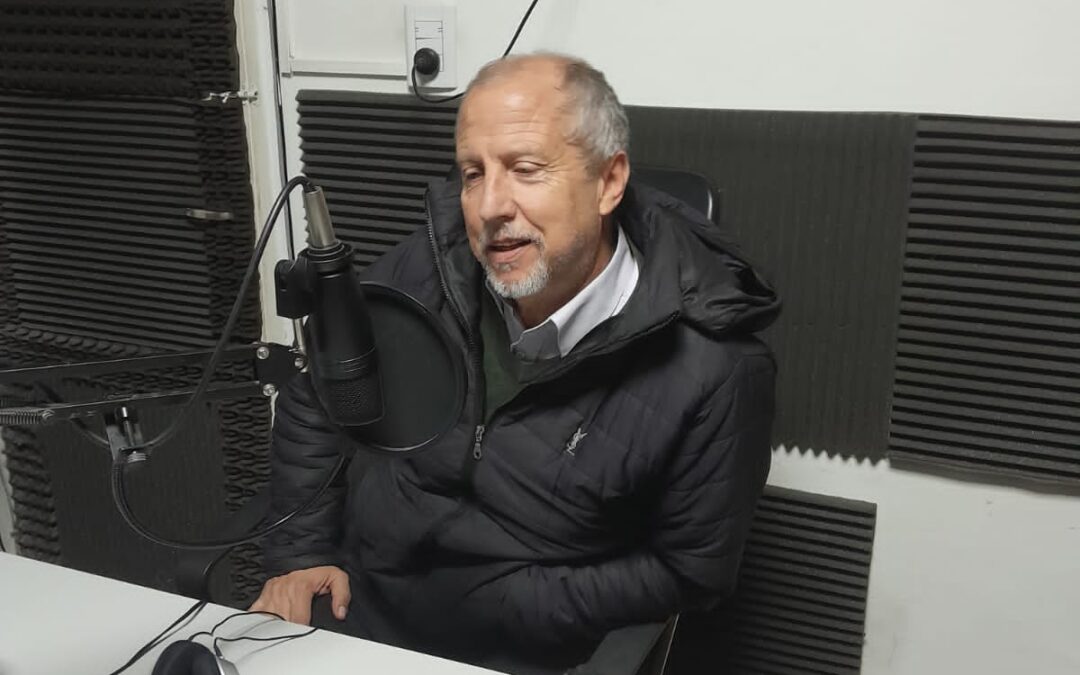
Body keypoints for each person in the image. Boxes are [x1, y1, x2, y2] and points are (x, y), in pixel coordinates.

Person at [252, 52, 780, 672]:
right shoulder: (431, 266)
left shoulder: (716, 368)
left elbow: (691, 570)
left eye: (525, 169)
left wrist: (511, 602)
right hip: (355, 610)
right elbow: (320, 394)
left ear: (608, 182)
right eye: (473, 174)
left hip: (526, 653)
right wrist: (301, 552)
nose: (488, 207)